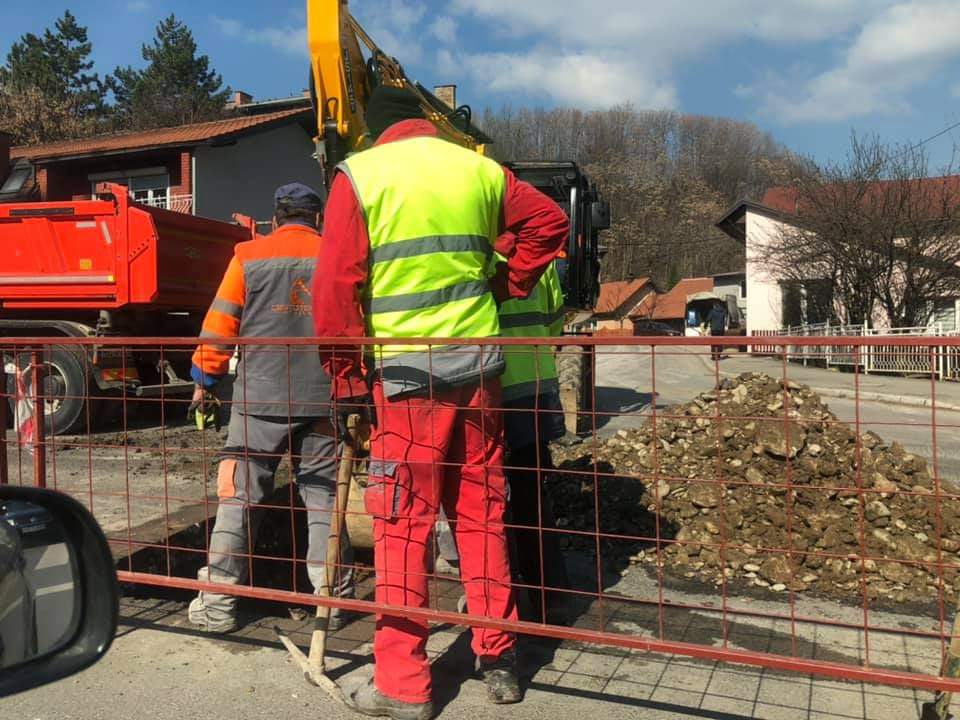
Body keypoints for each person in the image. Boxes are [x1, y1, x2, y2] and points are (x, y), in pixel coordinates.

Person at [313, 85, 569, 720]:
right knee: (482, 515)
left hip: (405, 377)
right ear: (427, 123)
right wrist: (506, 282)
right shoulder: (480, 169)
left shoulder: (362, 174)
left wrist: (345, 380)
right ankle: (500, 657)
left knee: (402, 523)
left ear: (372, 132)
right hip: (479, 369)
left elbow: (334, 285)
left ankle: (402, 683)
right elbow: (551, 222)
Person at [187, 183, 354, 634]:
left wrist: (205, 377)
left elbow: (221, 321)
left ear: (275, 219)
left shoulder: (248, 256)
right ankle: (331, 602)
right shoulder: (337, 255)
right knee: (323, 500)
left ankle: (219, 604)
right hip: (324, 398)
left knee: (239, 496)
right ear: (317, 219)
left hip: (258, 399)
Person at [495, 235, 571, 624]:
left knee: (489, 499)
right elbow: (555, 325)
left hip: (492, 388)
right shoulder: (542, 260)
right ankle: (549, 592)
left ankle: (502, 591)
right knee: (533, 494)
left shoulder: (480, 260)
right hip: (537, 389)